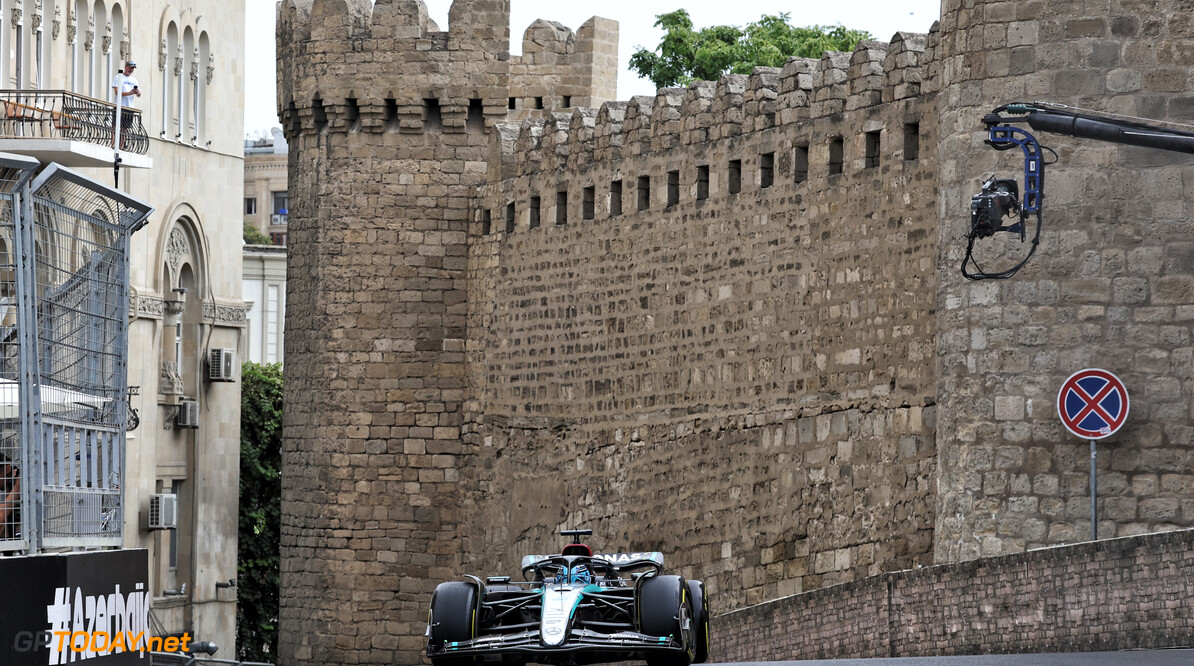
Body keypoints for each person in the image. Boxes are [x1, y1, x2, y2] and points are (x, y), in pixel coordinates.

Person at [111, 61, 141, 148]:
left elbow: (139, 94)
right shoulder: (119, 77)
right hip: (120, 106)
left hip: (129, 107)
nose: (131, 70)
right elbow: (117, 92)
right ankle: (112, 145)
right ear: (126, 67)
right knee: (115, 127)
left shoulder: (134, 80)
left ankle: (120, 146)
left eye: (132, 68)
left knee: (124, 129)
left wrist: (137, 92)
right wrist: (129, 93)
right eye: (130, 68)